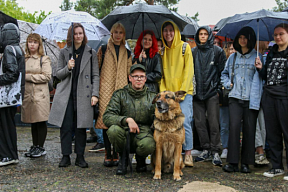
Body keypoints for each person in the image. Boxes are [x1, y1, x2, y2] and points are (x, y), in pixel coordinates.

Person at [48, 23, 99, 168]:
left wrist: (95, 94)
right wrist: (68, 67)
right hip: (67, 94)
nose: (78, 36)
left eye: (80, 33)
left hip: (84, 94)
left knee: (81, 127)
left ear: (84, 35)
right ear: (71, 35)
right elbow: (58, 74)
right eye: (75, 33)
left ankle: (80, 157)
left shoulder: (91, 53)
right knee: (66, 126)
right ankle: (65, 156)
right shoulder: (64, 52)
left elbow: (95, 75)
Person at [221, 26, 263, 173]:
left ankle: (246, 162)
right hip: (235, 96)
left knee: (249, 130)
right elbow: (224, 74)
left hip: (251, 98)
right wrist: (227, 84)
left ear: (250, 39)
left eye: (245, 37)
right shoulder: (233, 57)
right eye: (240, 37)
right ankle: (232, 162)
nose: (243, 40)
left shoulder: (257, 57)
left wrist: (260, 68)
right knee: (234, 128)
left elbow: (262, 77)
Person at [103, 64, 156, 175]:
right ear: (130, 78)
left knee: (149, 144)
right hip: (124, 131)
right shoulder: (120, 95)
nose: (139, 79)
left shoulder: (152, 97)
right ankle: (123, 158)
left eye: (141, 76)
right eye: (135, 76)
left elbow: (158, 118)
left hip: (143, 133)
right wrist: (126, 120)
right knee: (113, 130)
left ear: (145, 79)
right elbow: (107, 117)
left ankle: (141, 159)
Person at [95, 23, 132, 167]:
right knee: (105, 121)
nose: (117, 35)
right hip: (105, 90)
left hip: (121, 91)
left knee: (118, 121)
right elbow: (96, 69)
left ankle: (116, 151)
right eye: (115, 32)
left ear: (124, 35)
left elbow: (130, 73)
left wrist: (139, 60)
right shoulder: (103, 49)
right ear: (111, 33)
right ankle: (107, 153)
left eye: (120, 33)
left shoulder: (127, 52)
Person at [255, 23, 288, 179]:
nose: (278, 37)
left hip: (284, 98)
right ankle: (277, 166)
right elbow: (267, 77)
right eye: (275, 35)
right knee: (272, 134)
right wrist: (261, 68)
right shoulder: (271, 53)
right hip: (269, 96)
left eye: (281, 34)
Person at [159, 21, 194, 167]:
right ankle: (175, 155)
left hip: (183, 93)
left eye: (170, 30)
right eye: (165, 31)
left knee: (184, 122)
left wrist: (181, 92)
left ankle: (188, 154)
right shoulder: (162, 51)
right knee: (170, 124)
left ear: (176, 32)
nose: (168, 33)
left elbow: (189, 71)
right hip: (168, 96)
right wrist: (165, 93)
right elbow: (162, 75)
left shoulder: (185, 48)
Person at [192, 26, 226, 166]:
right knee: (199, 123)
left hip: (212, 92)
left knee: (213, 123)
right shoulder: (193, 51)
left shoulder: (217, 51)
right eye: (201, 34)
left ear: (209, 36)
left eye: (205, 34)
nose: (203, 36)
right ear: (197, 36)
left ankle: (216, 150)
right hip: (197, 93)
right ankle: (205, 149)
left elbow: (222, 71)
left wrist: (218, 89)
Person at [21, 33, 52, 158]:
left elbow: (46, 76)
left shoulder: (44, 59)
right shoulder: (24, 59)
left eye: (35, 42)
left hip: (40, 95)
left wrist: (28, 76)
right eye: (30, 42)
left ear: (39, 44)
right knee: (32, 121)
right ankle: (35, 146)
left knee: (40, 121)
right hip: (28, 94)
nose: (32, 44)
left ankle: (40, 146)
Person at [0, 23, 25, 166]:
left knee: (4, 127)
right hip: (13, 96)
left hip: (6, 96)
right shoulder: (18, 49)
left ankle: (6, 156)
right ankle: (11, 155)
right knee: (8, 125)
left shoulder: (9, 49)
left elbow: (12, 74)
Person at [254, 41, 270, 165]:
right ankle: (260, 151)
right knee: (258, 125)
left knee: (262, 124)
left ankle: (262, 150)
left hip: (266, 95)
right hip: (256, 95)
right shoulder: (257, 57)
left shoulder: (266, 56)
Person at [220, 41, 236, 159]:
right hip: (225, 97)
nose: (232, 51)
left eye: (234, 49)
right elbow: (222, 75)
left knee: (235, 125)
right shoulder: (224, 63)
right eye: (230, 49)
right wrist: (227, 84)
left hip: (237, 97)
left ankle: (234, 147)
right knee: (224, 124)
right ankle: (225, 147)